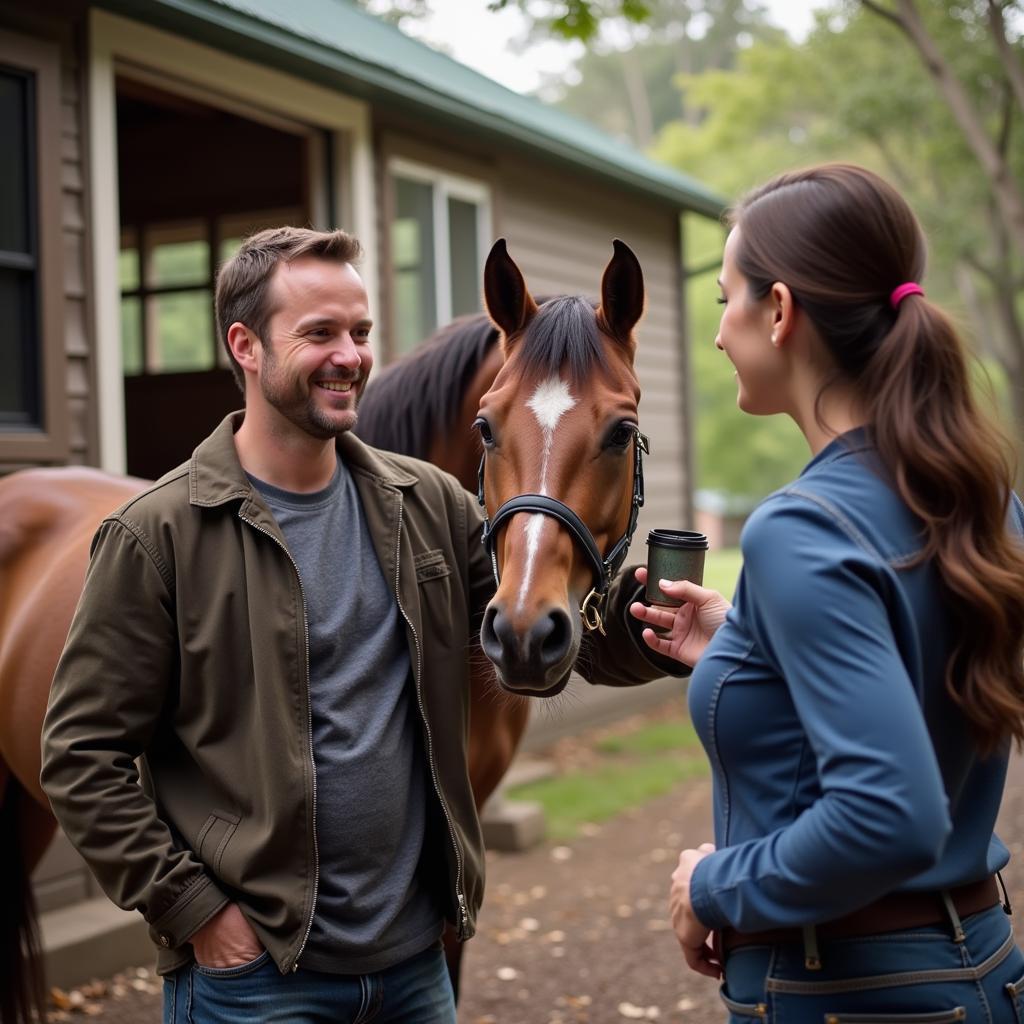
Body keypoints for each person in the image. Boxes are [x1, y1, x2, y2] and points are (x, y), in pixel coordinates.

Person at [40, 226, 677, 1024]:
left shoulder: (430, 505)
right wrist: (198, 912)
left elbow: (542, 632)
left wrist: (653, 627)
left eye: (361, 332)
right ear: (245, 345)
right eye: (319, 333)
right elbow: (79, 756)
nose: (350, 356)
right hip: (256, 979)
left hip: (415, 970)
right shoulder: (157, 535)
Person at [630, 164, 1024, 1020]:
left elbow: (889, 812)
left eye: (725, 301)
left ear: (779, 311)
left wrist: (713, 886)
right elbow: (917, 677)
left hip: (852, 990)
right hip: (984, 966)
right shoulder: (983, 500)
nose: (718, 336)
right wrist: (753, 644)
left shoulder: (799, 528)